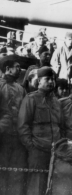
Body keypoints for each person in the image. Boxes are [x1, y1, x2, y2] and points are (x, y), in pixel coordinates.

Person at [18, 67, 62, 195]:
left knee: (53, 185)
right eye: (47, 79)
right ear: (39, 82)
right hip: (38, 149)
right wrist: (31, 147)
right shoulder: (31, 99)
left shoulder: (57, 102)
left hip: (55, 151)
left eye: (52, 79)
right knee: (36, 186)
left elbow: (61, 126)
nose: (51, 82)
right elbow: (23, 125)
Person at [0, 58, 27, 195]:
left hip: (17, 136)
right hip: (2, 135)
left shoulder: (20, 89)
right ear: (7, 69)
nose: (19, 69)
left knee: (15, 171)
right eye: (16, 67)